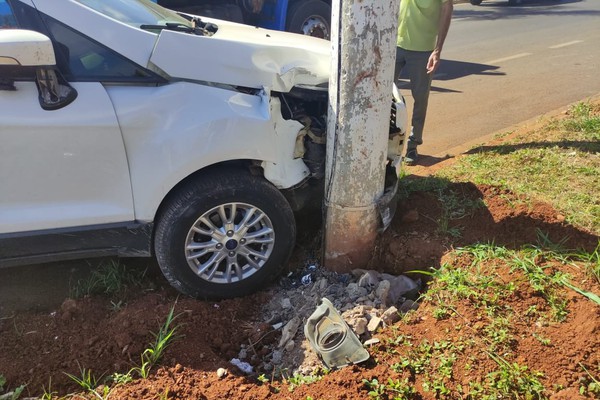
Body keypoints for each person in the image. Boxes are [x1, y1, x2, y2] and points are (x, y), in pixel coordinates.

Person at [395, 0, 453, 165]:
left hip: (422, 49)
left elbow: (447, 7)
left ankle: (413, 145)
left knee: (420, 98)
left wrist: (437, 50)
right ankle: (384, 141)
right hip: (395, 43)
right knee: (383, 95)